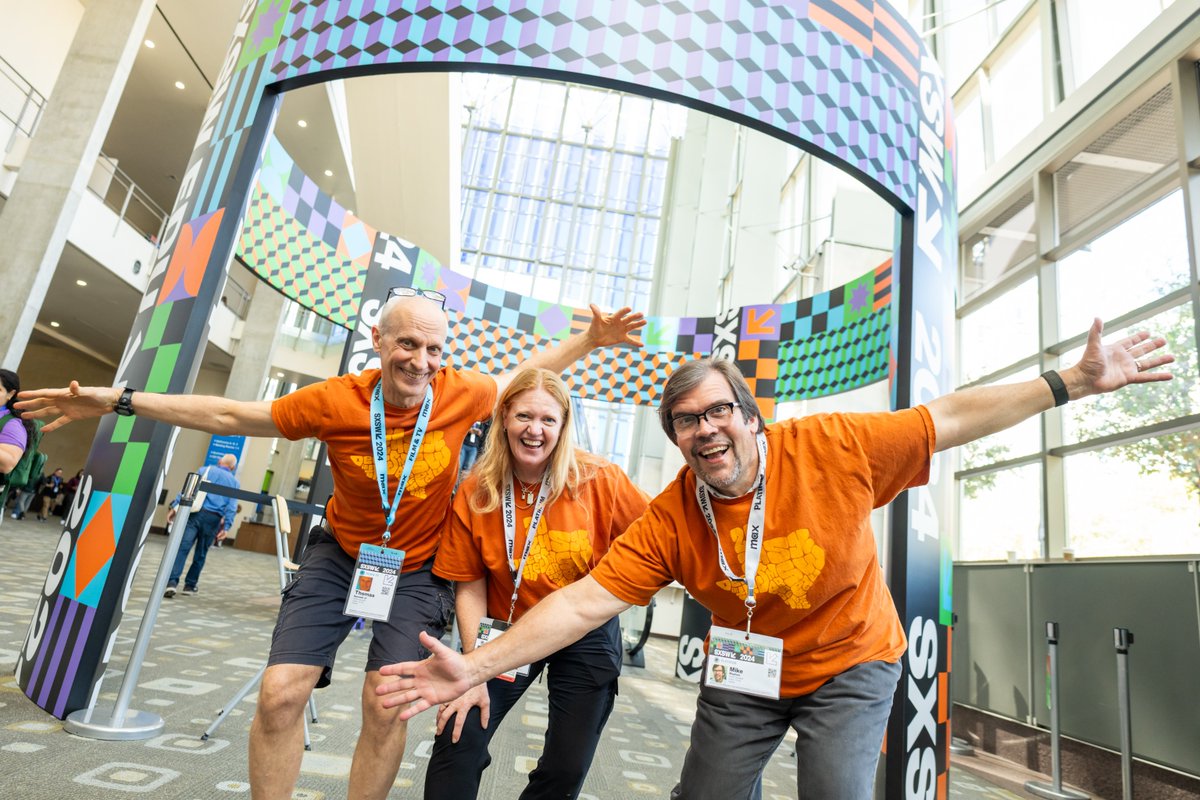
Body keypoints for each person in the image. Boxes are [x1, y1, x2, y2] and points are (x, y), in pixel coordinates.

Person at [375, 318, 1173, 799]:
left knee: (832, 794)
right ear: (678, 440)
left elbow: (950, 417)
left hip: (851, 661)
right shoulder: (671, 517)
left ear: (751, 418)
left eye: (720, 410)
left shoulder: (833, 444)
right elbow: (585, 602)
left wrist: (1068, 381)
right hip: (746, 674)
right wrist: (480, 666)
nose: (706, 430)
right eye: (686, 422)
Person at [18, 287, 644, 800]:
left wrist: (590, 340)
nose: (420, 361)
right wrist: (123, 400)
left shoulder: (463, 393)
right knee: (281, 691)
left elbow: (527, 382)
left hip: (417, 571)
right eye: (406, 343)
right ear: (378, 341)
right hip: (341, 555)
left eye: (432, 348)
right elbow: (232, 416)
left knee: (385, 701)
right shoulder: (337, 401)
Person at [426, 368, 648, 800]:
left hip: (584, 631)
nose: (535, 430)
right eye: (525, 416)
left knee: (566, 767)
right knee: (458, 736)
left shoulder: (601, 480)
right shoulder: (476, 490)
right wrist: (473, 667)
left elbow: (658, 543)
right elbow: (469, 583)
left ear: (563, 426)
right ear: (504, 416)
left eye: (548, 420)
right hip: (507, 626)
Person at [164, 454, 240, 597]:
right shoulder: (234, 482)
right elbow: (232, 506)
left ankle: (172, 583)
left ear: (219, 461)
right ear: (233, 467)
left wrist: (175, 506)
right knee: (201, 553)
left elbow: (188, 489)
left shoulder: (205, 470)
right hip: (213, 519)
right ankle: (189, 585)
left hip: (195, 514)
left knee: (183, 548)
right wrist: (227, 526)